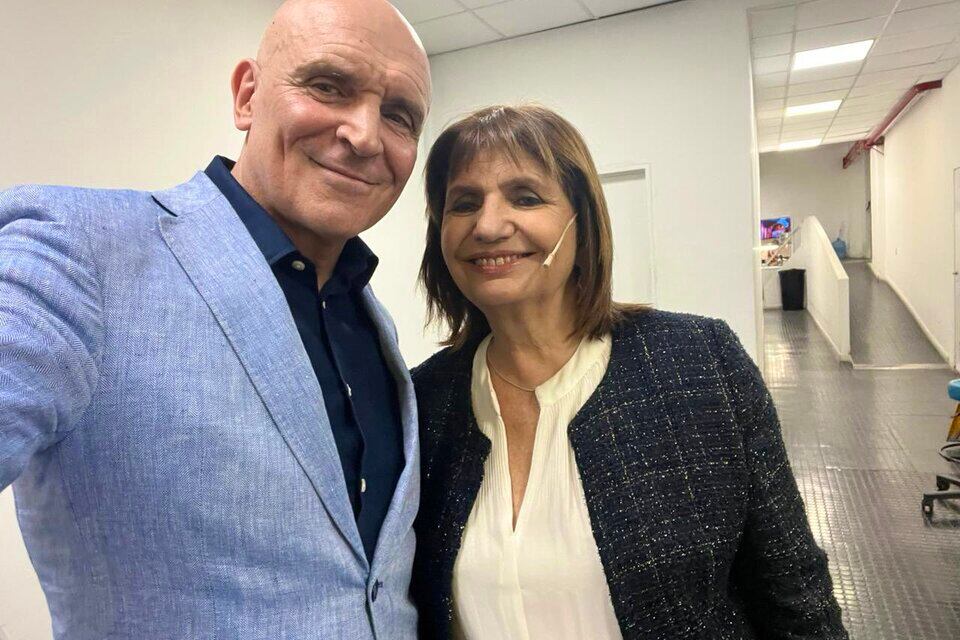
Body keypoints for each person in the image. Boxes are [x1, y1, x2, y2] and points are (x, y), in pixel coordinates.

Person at [0, 0, 430, 637]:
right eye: (328, 86)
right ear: (248, 96)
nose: (365, 135)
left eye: (398, 115)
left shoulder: (371, 320)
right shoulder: (77, 251)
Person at [410, 105, 848, 639]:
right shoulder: (424, 402)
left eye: (525, 197)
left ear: (582, 221)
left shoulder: (698, 362)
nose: (488, 225)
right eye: (464, 203)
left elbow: (794, 590)